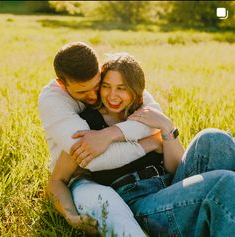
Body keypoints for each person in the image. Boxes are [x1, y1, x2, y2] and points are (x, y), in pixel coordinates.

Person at [51, 53, 235, 237]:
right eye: (106, 87)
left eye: (121, 88)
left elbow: (175, 168)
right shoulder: (88, 125)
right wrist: (70, 215)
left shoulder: (144, 116)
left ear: (135, 90)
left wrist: (166, 126)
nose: (112, 95)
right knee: (224, 183)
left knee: (215, 138)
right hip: (140, 204)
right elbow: (57, 180)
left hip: (169, 188)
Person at [38, 42, 163, 236]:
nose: (94, 95)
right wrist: (151, 143)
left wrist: (110, 134)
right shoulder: (52, 101)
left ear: (100, 69)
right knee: (110, 208)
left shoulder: (109, 79)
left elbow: (153, 114)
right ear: (62, 84)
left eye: (97, 86)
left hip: (120, 176)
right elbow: (94, 159)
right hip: (80, 178)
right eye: (81, 92)